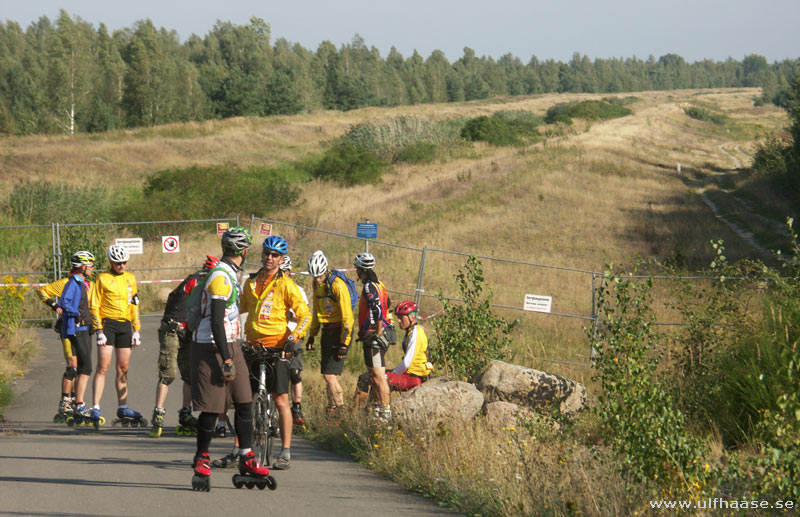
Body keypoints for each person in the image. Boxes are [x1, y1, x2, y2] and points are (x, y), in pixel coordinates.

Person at [189, 227, 270, 490]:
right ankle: (202, 456)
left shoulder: (232, 273)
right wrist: (226, 359)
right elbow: (215, 321)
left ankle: (246, 455)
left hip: (231, 343)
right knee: (212, 408)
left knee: (245, 401)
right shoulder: (221, 277)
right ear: (244, 251)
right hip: (211, 346)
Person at [239, 236, 311, 470]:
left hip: (277, 348)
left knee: (281, 399)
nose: (269, 258)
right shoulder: (250, 283)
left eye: (275, 255)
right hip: (253, 346)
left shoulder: (286, 285)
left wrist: (294, 337)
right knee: (245, 401)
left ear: (281, 259)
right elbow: (237, 308)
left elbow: (305, 315)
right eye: (267, 253)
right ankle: (239, 450)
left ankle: (286, 452)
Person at [150, 255, 219, 438]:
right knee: (168, 373)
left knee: (189, 375)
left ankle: (185, 412)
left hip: (188, 331)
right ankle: (158, 413)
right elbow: (190, 307)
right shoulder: (196, 281)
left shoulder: (206, 282)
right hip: (173, 329)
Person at [89, 244, 145, 425]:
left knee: (123, 368)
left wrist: (137, 329)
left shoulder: (130, 278)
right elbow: (94, 304)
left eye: (124, 262)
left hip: (125, 324)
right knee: (103, 367)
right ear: (111, 262)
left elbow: (134, 304)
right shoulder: (103, 278)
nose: (121, 265)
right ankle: (96, 406)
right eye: (118, 263)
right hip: (108, 325)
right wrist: (98, 330)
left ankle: (122, 406)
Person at [43, 251, 96, 421]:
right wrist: (54, 305)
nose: (93, 268)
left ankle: (75, 401)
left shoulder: (86, 283)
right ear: (82, 267)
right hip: (71, 329)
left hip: (82, 328)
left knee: (81, 366)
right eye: (90, 265)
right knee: (74, 366)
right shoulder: (69, 282)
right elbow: (44, 291)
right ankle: (66, 402)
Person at [305, 250, 355, 414]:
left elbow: (348, 317)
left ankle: (340, 409)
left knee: (329, 375)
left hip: (341, 331)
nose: (317, 280)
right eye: (314, 277)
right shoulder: (316, 284)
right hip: (327, 329)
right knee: (327, 374)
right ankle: (332, 409)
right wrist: (312, 335)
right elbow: (316, 312)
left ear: (325, 271)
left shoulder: (337, 285)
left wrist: (344, 343)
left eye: (319, 276)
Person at [354, 301, 432, 404]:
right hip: (411, 375)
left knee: (378, 378)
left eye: (401, 317)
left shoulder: (416, 332)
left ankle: (375, 410)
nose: (398, 321)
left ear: (412, 318)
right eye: (398, 317)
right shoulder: (411, 331)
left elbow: (407, 362)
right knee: (373, 376)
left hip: (413, 378)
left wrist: (392, 373)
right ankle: (372, 408)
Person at [353, 252, 394, 422]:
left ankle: (385, 413)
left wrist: (376, 331)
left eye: (357, 269)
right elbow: (388, 303)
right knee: (373, 375)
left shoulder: (370, 286)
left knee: (378, 376)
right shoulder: (380, 284)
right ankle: (378, 409)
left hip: (376, 337)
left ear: (361, 270)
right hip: (378, 334)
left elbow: (377, 308)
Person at [280, 256, 309, 426]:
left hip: (293, 335)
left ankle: (297, 407)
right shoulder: (272, 288)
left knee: (294, 373)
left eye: (284, 271)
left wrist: (290, 315)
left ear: (289, 272)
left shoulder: (298, 290)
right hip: (275, 336)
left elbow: (304, 315)